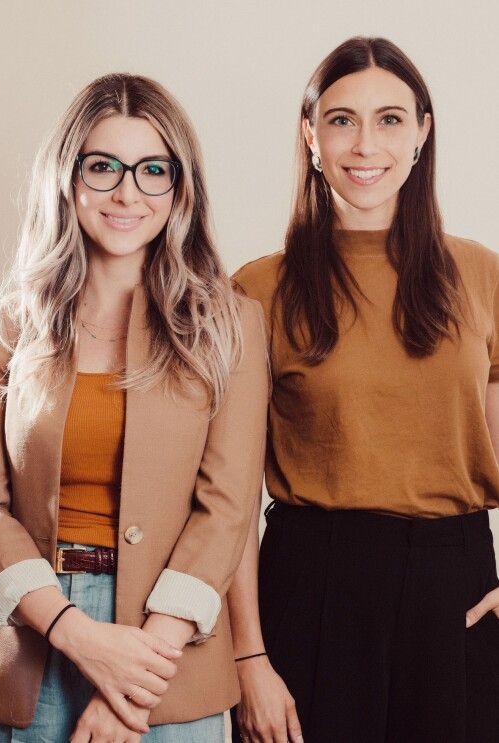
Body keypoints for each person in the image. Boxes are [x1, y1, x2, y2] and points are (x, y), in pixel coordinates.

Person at [0, 73, 268, 743]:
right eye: (103, 166)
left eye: (152, 169)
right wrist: (80, 637)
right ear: (67, 177)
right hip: (32, 638)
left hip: (172, 651)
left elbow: (226, 510)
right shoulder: (12, 321)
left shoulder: (230, 323)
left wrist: (137, 670)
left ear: (179, 187)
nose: (127, 191)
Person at [227, 36, 499, 743]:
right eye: (341, 119)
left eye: (389, 119)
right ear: (309, 135)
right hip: (309, 584)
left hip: (457, 586)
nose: (364, 143)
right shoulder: (256, 291)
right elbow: (223, 497)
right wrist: (248, 655)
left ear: (421, 134)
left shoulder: (480, 274)